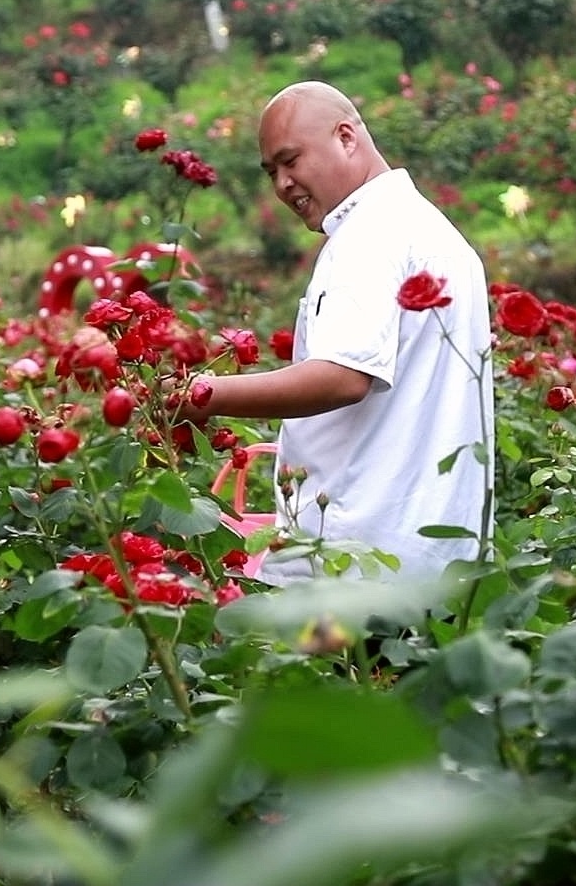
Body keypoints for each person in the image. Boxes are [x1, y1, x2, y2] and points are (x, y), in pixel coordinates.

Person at [181, 81, 492, 580]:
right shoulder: (432, 231)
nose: (282, 184)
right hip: (434, 559)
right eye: (271, 172)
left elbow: (343, 377)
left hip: (355, 565)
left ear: (347, 137)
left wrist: (200, 394)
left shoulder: (367, 236)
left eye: (291, 161)